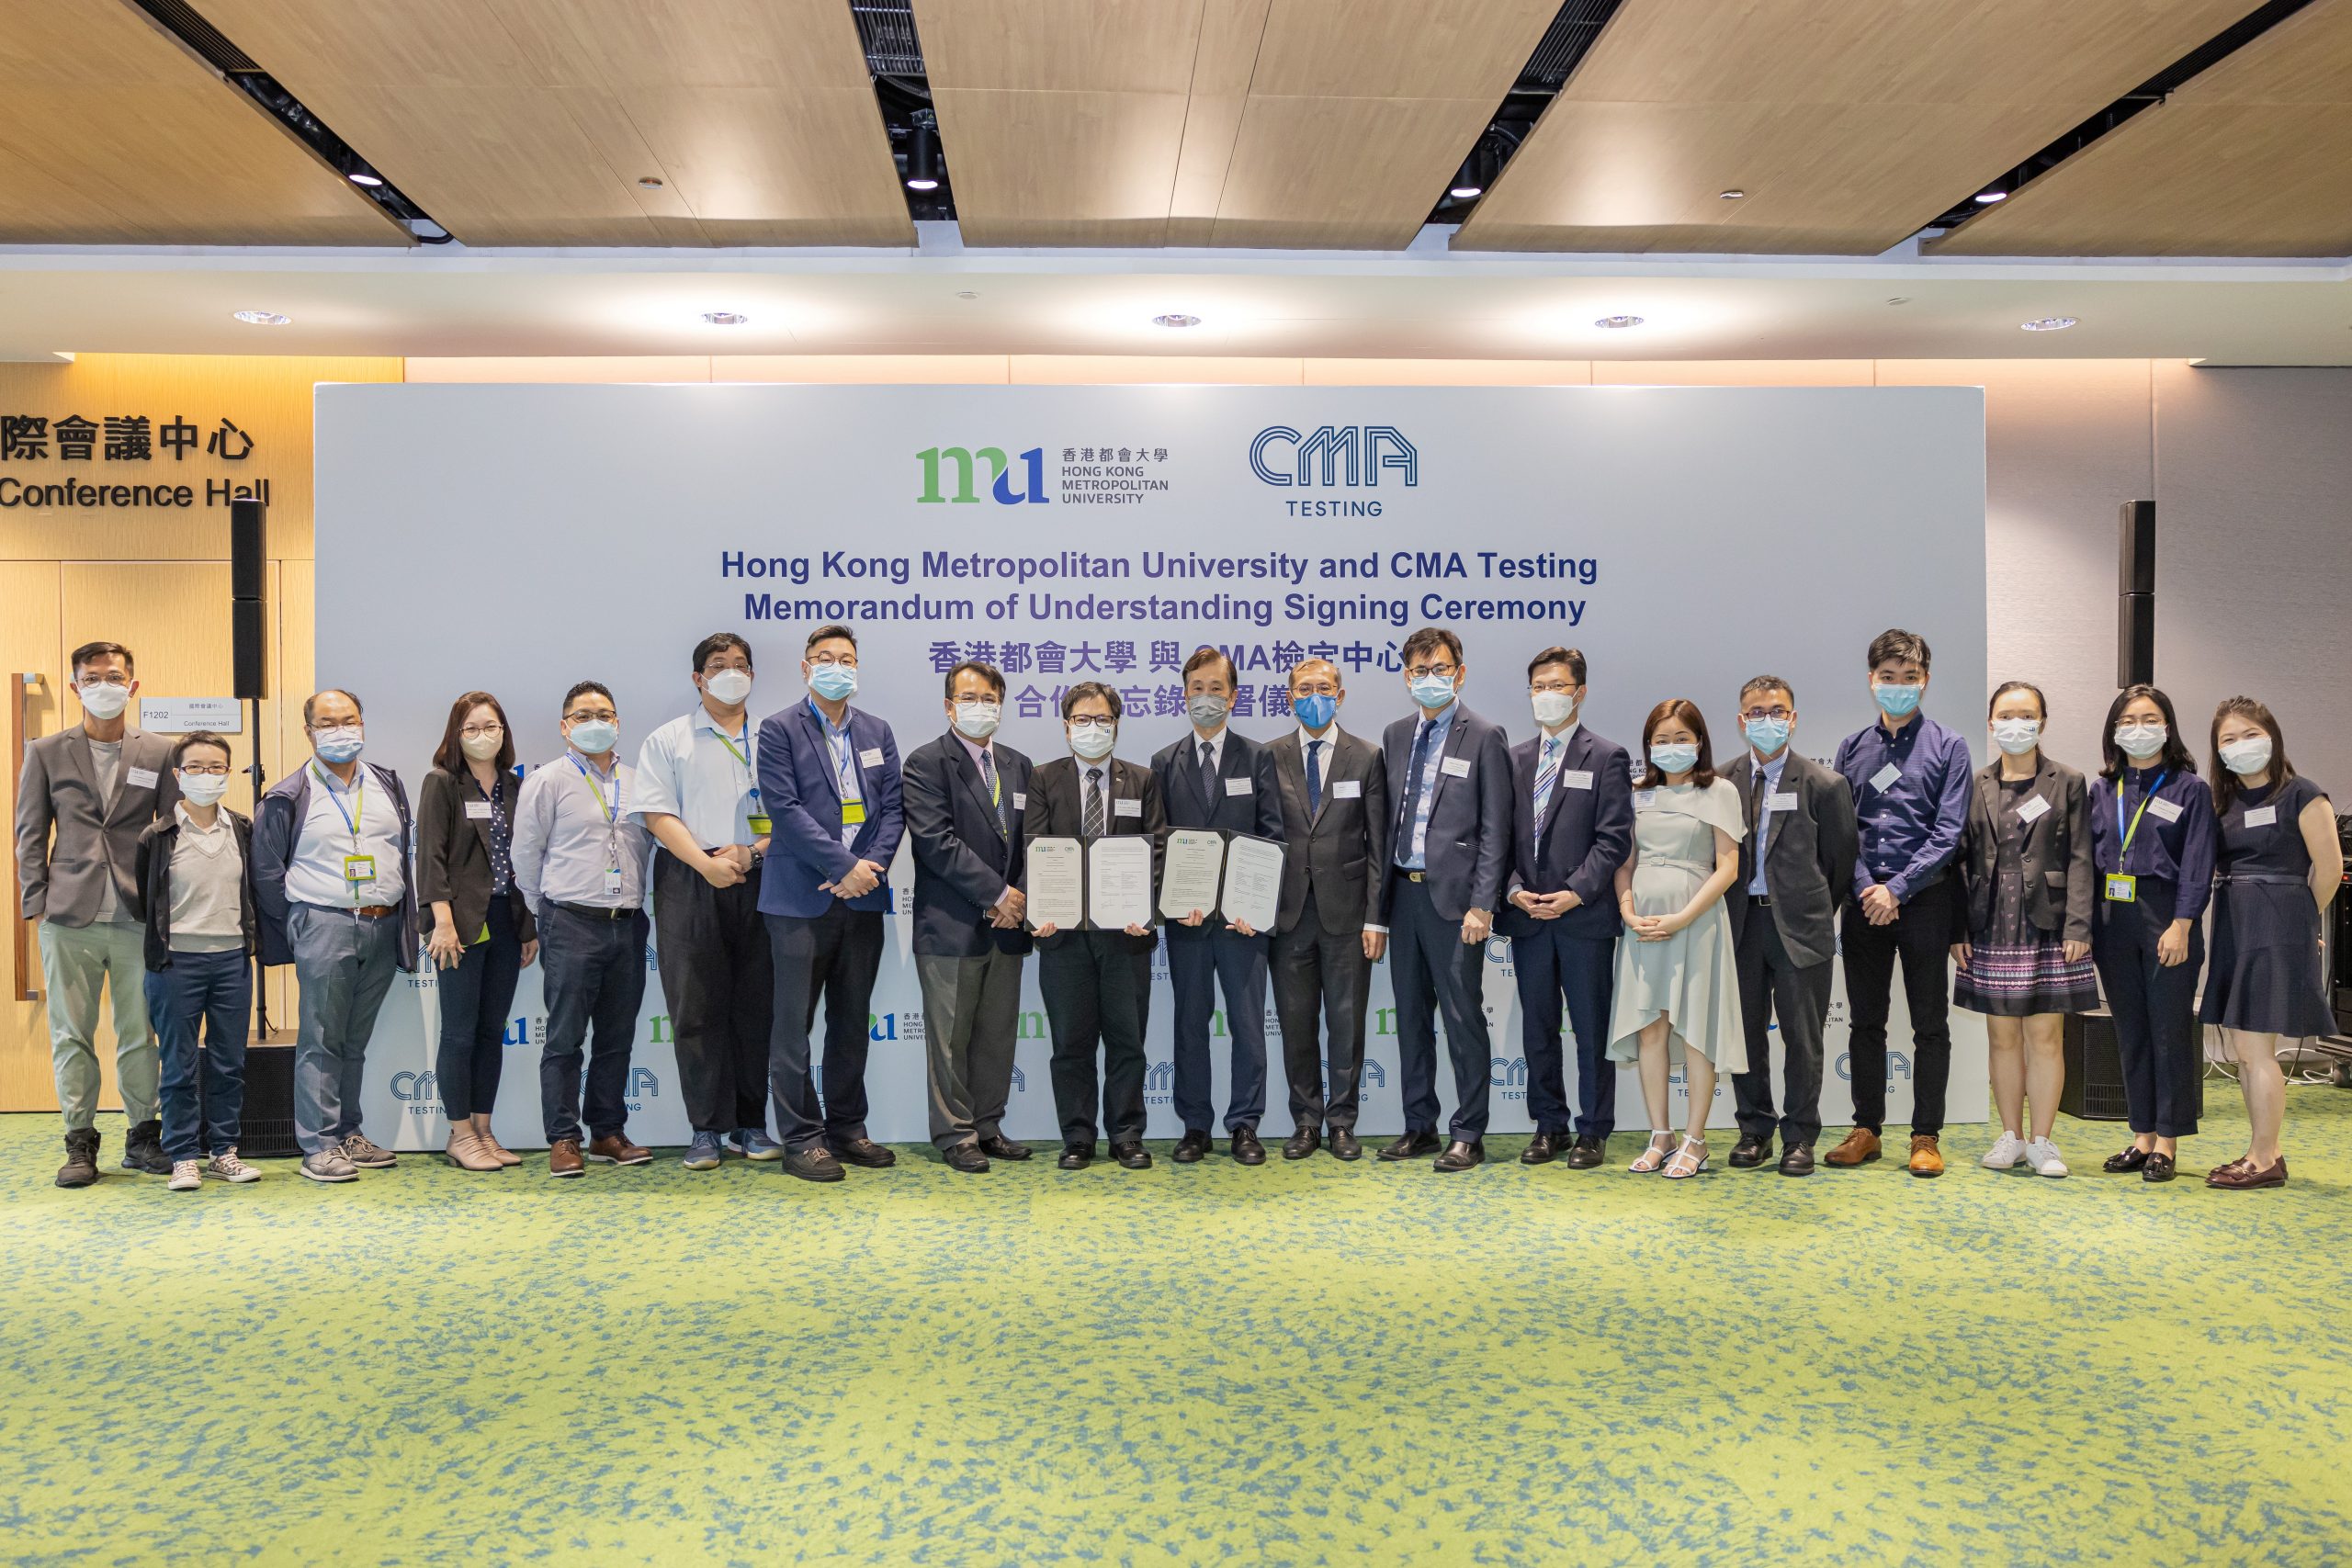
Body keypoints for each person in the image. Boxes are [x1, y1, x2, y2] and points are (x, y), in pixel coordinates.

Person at [15, 640, 176, 1186]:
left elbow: (172, 836)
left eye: (113, 676)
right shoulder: (45, 751)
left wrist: (167, 909)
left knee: (139, 1033)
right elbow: (31, 832)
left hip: (137, 917)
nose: (103, 685)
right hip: (68, 915)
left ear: (131, 686)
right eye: (91, 677)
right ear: (76, 685)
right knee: (71, 1033)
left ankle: (143, 1136)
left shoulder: (158, 751)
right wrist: (37, 902)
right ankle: (79, 1141)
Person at [756, 625, 904, 1184]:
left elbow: (893, 810)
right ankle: (802, 1138)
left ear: (858, 669)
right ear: (805, 667)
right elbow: (785, 810)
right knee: (793, 1026)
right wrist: (843, 867)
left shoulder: (878, 731)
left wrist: (869, 869)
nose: (835, 666)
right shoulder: (778, 729)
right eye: (824, 658)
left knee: (850, 1022)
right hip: (799, 899)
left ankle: (847, 1127)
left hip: (863, 899)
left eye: (845, 658)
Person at [254, 689, 418, 1184]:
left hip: (382, 923)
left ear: (363, 723)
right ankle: (319, 1145)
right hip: (323, 922)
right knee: (321, 1039)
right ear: (309, 731)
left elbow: (401, 851)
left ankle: (349, 1132)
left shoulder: (387, 784)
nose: (341, 730)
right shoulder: (288, 795)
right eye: (327, 723)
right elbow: (266, 873)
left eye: (349, 720)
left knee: (354, 1039)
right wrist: (305, 924)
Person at [633, 633, 779, 1172]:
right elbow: (657, 814)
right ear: (699, 679)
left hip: (762, 873)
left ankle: (751, 1123)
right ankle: (706, 1129)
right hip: (689, 876)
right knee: (696, 1007)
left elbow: (792, 812)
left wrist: (753, 853)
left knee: (756, 1005)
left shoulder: (777, 737)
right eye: (719, 666)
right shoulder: (667, 740)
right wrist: (706, 863)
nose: (732, 673)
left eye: (741, 664)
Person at [1827, 628, 1972, 1178]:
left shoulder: (1949, 746)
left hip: (1925, 901)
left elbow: (1949, 831)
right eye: (1888, 678)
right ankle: (1867, 1129)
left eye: (1909, 679)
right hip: (1864, 902)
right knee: (1866, 1022)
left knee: (1930, 1024)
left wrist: (1898, 889)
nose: (1898, 687)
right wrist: (1869, 886)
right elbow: (1844, 831)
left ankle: (1926, 1136)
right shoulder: (1852, 748)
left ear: (1925, 682)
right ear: (1872, 681)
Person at [1376, 627, 1511, 1173]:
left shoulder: (1483, 735)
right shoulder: (1394, 735)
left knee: (1461, 1019)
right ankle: (1420, 1125)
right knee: (1410, 1017)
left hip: (1456, 904)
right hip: (1403, 898)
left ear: (1459, 672)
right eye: (1417, 671)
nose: (1428, 679)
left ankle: (1469, 1131)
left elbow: (1496, 830)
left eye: (1439, 669)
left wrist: (1484, 904)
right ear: (1406, 677)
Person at [1949, 682, 2097, 1179]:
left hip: (2050, 923)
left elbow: (2081, 857)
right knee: (2001, 1036)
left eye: (2027, 715)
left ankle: (2043, 1142)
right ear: (1991, 724)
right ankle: (2011, 1136)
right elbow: (1961, 860)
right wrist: (1957, 929)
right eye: (2006, 716)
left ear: (2043, 722)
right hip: (1990, 921)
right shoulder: (1976, 782)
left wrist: (2079, 923)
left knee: (2046, 1037)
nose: (2016, 724)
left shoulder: (2068, 780)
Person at [512, 682, 654, 1179]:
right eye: (584, 714)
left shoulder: (639, 782)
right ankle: (563, 1137)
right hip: (570, 920)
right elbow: (526, 855)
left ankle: (607, 1132)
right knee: (565, 1037)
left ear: (618, 722)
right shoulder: (547, 780)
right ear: (565, 725)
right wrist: (543, 912)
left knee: (617, 1036)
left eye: (606, 713)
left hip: (629, 924)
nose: (597, 721)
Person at [1500, 647, 1634, 1170]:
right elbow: (1498, 839)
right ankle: (1547, 1124)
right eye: (1538, 686)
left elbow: (1613, 840)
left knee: (1590, 1030)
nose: (1546, 695)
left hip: (1583, 919)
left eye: (1556, 685)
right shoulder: (1512, 759)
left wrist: (1575, 892)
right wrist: (1513, 890)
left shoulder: (1607, 757)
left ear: (1579, 692)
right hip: (1528, 917)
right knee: (1538, 1029)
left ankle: (1593, 1130)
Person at [2199, 697, 2340, 1190]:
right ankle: (2264, 1150)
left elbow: (2328, 871)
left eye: (2250, 734)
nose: (2241, 746)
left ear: (2273, 736)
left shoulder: (2303, 794)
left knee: (2258, 1048)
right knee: (2245, 1047)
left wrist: (2302, 926)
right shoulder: (2225, 800)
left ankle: (2264, 1159)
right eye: (2228, 740)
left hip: (2278, 921)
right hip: (2235, 921)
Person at [1152, 646, 1285, 1166]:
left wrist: (1257, 905)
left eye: (1216, 689)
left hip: (1244, 924)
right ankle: (1195, 1125)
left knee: (1248, 1022)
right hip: (1186, 922)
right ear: (1184, 695)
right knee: (1190, 1022)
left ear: (1233, 696)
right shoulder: (1165, 762)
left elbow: (1272, 836)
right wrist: (1172, 900)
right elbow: (1159, 842)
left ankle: (1245, 1124)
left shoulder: (1259, 758)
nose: (1206, 698)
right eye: (1197, 689)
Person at [1024, 682, 1165, 1171]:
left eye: (1102, 719)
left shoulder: (1143, 780)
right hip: (1062, 937)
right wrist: (1037, 910)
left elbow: (1158, 849)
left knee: (1127, 1041)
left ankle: (1127, 1135)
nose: (1092, 728)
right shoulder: (1042, 779)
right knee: (1071, 1044)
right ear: (1066, 727)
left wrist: (1144, 909)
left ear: (1116, 724)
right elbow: (1034, 850)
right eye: (1082, 720)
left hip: (1126, 937)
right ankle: (1078, 1137)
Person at [902, 660, 1034, 1173]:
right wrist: (997, 894)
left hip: (1009, 925)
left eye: (990, 698)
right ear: (949, 705)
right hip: (951, 925)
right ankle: (955, 1134)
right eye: (969, 697)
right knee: (951, 1039)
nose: (981, 707)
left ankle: (988, 1125)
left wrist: (1018, 897)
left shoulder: (1020, 766)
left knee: (997, 1035)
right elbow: (937, 844)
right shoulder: (926, 763)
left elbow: (1032, 842)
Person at [1722, 677, 1857, 1177]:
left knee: (1803, 1038)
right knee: (1746, 1035)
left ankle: (1799, 1136)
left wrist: (1809, 907)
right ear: (1741, 721)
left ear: (1793, 718)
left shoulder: (1825, 784)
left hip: (1801, 930)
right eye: (1756, 712)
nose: (1767, 719)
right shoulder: (1720, 782)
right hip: (1738, 927)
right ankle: (1754, 1128)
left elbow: (1839, 864)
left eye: (1777, 710)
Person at [1607, 700, 1746, 1179]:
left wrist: (1683, 916)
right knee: (1651, 1029)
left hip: (1698, 922)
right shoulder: (1634, 794)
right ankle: (1660, 1134)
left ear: (1700, 741)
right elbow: (1624, 863)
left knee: (1696, 1032)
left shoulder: (1721, 791)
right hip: (1642, 924)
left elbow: (1727, 866)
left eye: (1681, 738)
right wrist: (1627, 910)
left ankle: (1695, 1139)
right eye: (1660, 740)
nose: (1671, 748)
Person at [2086, 685, 2217, 1184]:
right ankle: (2141, 1134)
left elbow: (2199, 865)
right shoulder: (2102, 790)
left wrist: (2183, 923)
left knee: (2168, 1030)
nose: (2138, 729)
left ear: (2168, 726)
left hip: (2167, 915)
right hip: (2113, 918)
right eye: (2128, 720)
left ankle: (2168, 1139)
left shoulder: (2189, 789)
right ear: (2115, 731)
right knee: (2130, 1029)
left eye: (2150, 719)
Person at [1266, 657, 1389, 1161]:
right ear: (1289, 696)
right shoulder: (1269, 756)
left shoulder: (1367, 757)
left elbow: (1379, 843)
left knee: (1346, 1023)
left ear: (1339, 695)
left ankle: (1342, 1121)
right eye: (1302, 688)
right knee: (1296, 1024)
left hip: (1349, 915)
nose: (1312, 695)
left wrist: (1376, 916)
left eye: (1322, 687)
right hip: (1287, 914)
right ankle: (1305, 1121)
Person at [415, 692, 537, 1172]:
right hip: (461, 927)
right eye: (472, 728)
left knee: (492, 1031)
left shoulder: (516, 786)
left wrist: (528, 928)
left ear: (504, 733)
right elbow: (431, 857)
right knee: (460, 1033)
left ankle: (484, 1130)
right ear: (455, 734)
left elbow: (525, 861)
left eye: (491, 727)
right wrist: (441, 922)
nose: (482, 736)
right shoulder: (442, 782)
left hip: (507, 921)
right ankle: (459, 1133)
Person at [133, 732, 260, 1190]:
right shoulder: (158, 835)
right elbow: (144, 902)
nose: (206, 776)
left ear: (229, 773)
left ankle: (224, 1151)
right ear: (178, 775)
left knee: (229, 1062)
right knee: (179, 1062)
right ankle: (183, 1154)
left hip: (230, 961)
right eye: (196, 767)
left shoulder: (243, 829)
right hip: (175, 965)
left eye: (216, 767)